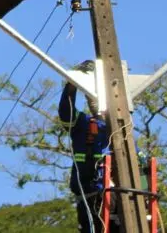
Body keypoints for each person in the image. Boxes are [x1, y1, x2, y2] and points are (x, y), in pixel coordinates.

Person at [59, 60, 112, 233]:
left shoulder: (120, 128)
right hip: (88, 194)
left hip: (115, 197)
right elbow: (66, 113)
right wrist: (73, 83)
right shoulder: (83, 123)